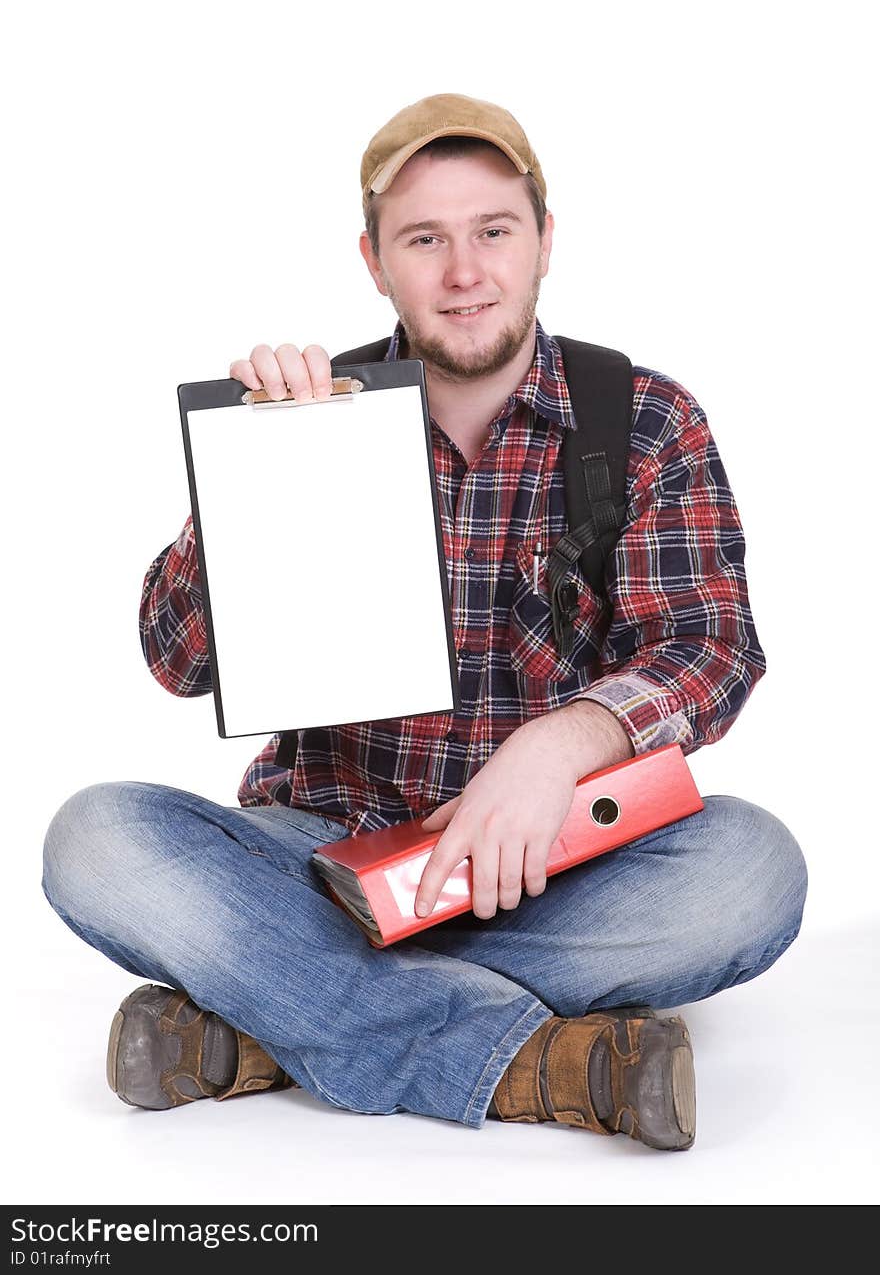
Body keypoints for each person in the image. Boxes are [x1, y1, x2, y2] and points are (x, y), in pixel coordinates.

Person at [42, 92, 808, 1151]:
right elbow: (175, 660)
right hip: (322, 857)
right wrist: (248, 466)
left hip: (547, 868)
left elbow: (710, 646)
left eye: (493, 230)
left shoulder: (640, 416)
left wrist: (557, 747)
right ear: (373, 260)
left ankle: (272, 1022)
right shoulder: (312, 416)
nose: (463, 272)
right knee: (94, 838)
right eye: (424, 239)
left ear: (544, 240)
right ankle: (534, 1062)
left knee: (752, 870)